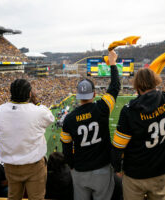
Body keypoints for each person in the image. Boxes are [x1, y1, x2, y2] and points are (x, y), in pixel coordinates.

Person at [111, 50, 165, 200]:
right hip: (162, 171)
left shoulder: (130, 110)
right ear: (156, 81)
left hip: (136, 174)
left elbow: (118, 146)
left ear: (136, 85)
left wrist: (116, 168)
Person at [61, 50, 120, 200]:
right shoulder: (102, 107)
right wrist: (113, 63)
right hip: (102, 168)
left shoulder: (69, 119)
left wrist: (72, 165)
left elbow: (66, 147)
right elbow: (114, 87)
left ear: (78, 96)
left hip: (80, 169)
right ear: (94, 94)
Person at [0, 79, 55, 200]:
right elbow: (50, 118)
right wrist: (36, 102)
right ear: (29, 94)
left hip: (10, 166)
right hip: (34, 166)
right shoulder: (37, 111)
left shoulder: (0, 110)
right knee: (36, 198)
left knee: (13, 197)